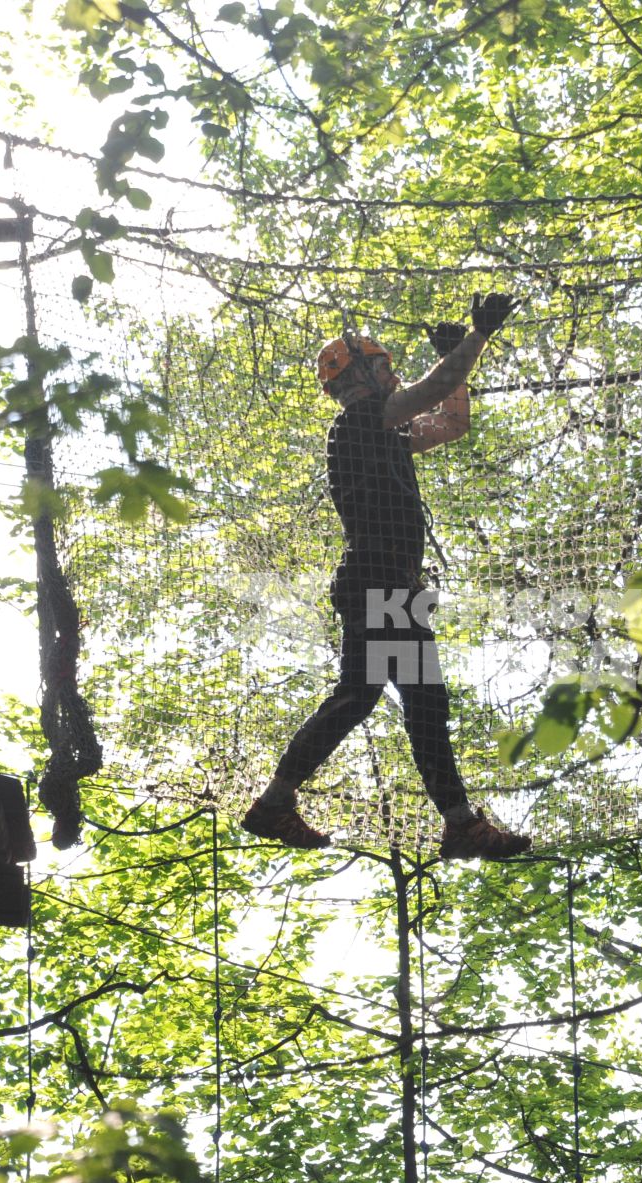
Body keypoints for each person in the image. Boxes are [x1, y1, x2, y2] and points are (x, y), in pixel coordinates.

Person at [241, 293, 533, 860]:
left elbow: (452, 421)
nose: (393, 373)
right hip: (380, 581)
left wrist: (457, 362)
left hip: (391, 585)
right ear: (360, 377)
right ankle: (279, 804)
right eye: (383, 367)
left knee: (403, 699)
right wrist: (476, 339)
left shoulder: (384, 433)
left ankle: (455, 822)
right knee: (381, 697)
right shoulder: (356, 423)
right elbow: (426, 392)